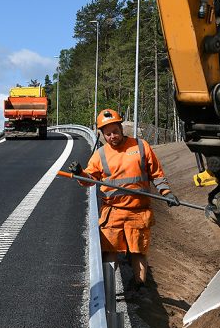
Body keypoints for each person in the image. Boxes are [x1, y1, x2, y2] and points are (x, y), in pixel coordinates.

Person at [70, 108, 179, 289]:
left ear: (121, 128)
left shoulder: (141, 146)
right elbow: (90, 180)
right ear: (103, 135)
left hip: (139, 211)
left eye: (115, 131)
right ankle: (107, 290)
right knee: (109, 250)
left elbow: (157, 174)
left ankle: (140, 287)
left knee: (138, 251)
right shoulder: (100, 155)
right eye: (108, 134)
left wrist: (166, 193)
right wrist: (80, 173)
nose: (112, 136)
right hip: (113, 211)